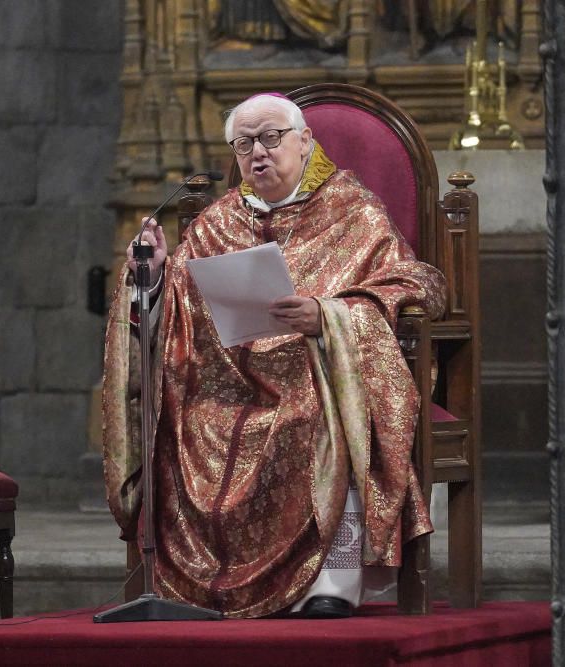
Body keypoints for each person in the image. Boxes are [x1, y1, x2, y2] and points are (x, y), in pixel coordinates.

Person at [102, 92, 446, 619]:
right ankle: (209, 586)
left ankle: (333, 581)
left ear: (305, 142)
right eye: (244, 145)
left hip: (319, 374)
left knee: (313, 415)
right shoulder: (216, 222)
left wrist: (330, 315)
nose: (257, 153)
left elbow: (420, 285)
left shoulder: (353, 208)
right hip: (229, 379)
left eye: (270, 138)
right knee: (183, 415)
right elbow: (174, 313)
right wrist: (149, 281)